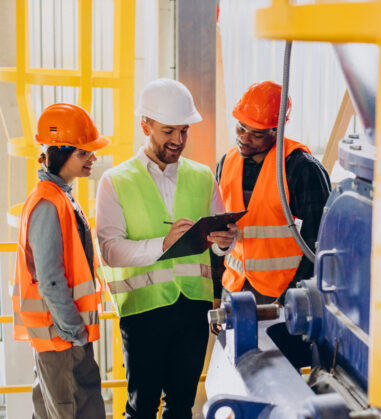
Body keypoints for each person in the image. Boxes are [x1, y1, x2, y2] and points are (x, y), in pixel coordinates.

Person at [96, 78, 237, 419]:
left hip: (193, 309)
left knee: (181, 407)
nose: (178, 141)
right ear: (145, 125)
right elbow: (110, 251)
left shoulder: (204, 177)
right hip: (143, 311)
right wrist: (162, 244)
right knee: (141, 408)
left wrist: (223, 243)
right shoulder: (114, 181)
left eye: (184, 131)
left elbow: (217, 245)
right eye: (168, 131)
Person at [11, 103, 108, 419]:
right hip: (62, 338)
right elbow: (50, 280)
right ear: (58, 153)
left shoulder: (61, 197)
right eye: (83, 153)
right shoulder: (49, 204)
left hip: (64, 337)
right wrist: (75, 332)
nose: (92, 159)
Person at [215, 81, 331, 304]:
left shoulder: (302, 169)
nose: (244, 138)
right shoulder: (227, 163)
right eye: (241, 127)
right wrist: (217, 294)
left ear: (277, 130)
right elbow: (219, 231)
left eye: (256, 134)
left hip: (280, 296)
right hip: (233, 290)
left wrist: (293, 298)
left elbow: (319, 242)